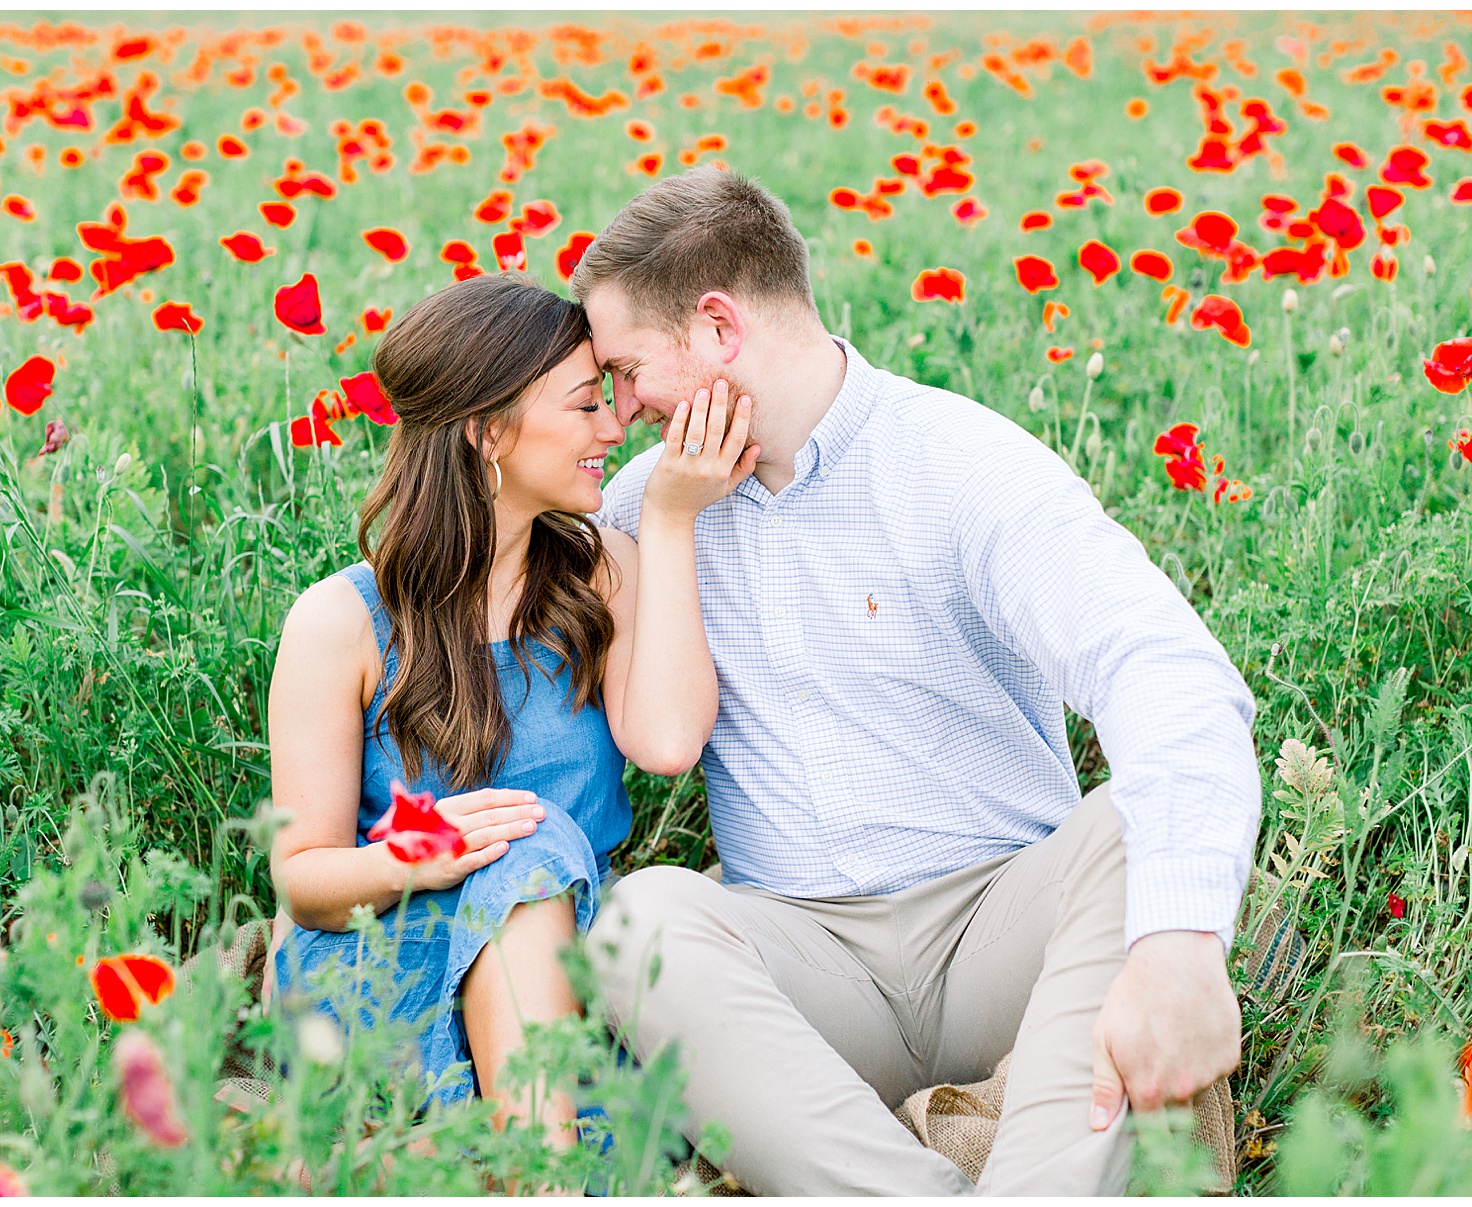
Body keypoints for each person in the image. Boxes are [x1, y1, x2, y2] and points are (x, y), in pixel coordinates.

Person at [573, 166, 1261, 1195]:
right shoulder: (642, 508)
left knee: (1132, 826)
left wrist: (1181, 942)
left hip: (999, 929)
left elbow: (1162, 667)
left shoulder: (960, 463)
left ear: (717, 329)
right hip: (807, 961)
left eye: (627, 371)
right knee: (638, 922)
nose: (621, 411)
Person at [263, 273, 757, 1147]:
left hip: (563, 971)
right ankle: (541, 1168)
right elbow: (302, 880)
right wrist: (430, 851)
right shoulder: (339, 624)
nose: (614, 427)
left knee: (540, 854)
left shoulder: (601, 573)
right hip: (392, 963)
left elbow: (673, 742)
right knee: (526, 839)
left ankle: (512, 1154)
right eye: (583, 405)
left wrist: (673, 522)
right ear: (488, 433)